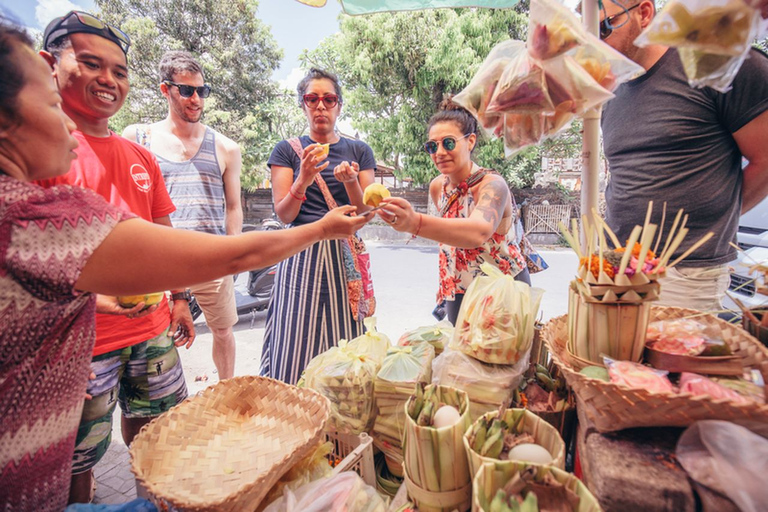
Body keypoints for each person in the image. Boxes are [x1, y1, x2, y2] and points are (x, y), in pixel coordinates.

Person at [0, 20, 366, 512]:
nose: (69, 124)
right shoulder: (29, 215)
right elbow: (231, 252)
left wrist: (172, 297)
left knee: (150, 431)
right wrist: (320, 228)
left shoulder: (38, 203)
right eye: (50, 103)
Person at [598, 0, 768, 312]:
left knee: (674, 361)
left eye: (602, 28)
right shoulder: (613, 93)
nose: (594, 43)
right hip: (617, 267)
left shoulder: (710, 62)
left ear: (644, 13)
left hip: (684, 272)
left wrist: (716, 220)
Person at [123, 51, 242, 381]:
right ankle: (166, 406)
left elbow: (233, 206)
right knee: (156, 340)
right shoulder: (138, 138)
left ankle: (228, 391)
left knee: (223, 331)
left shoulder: (226, 147)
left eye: (201, 91)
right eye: (186, 90)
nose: (196, 99)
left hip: (211, 260)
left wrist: (232, 254)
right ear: (165, 90)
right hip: (160, 264)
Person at [259, 68, 377, 385]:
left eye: (329, 99)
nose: (320, 106)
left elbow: (366, 211)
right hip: (300, 252)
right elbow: (285, 214)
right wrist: (304, 177)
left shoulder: (359, 151)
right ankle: (292, 411)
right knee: (295, 339)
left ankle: (343, 411)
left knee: (345, 343)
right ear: (303, 105)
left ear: (339, 106)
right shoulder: (287, 150)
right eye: (312, 98)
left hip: (344, 258)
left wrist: (352, 181)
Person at [378, 102, 530, 325]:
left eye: (448, 143)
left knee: (503, 359)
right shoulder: (437, 186)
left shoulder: (492, 185)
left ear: (470, 141)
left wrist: (415, 223)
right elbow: (451, 239)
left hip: (503, 288)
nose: (439, 153)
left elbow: (478, 233)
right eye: (432, 146)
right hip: (458, 289)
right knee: (461, 357)